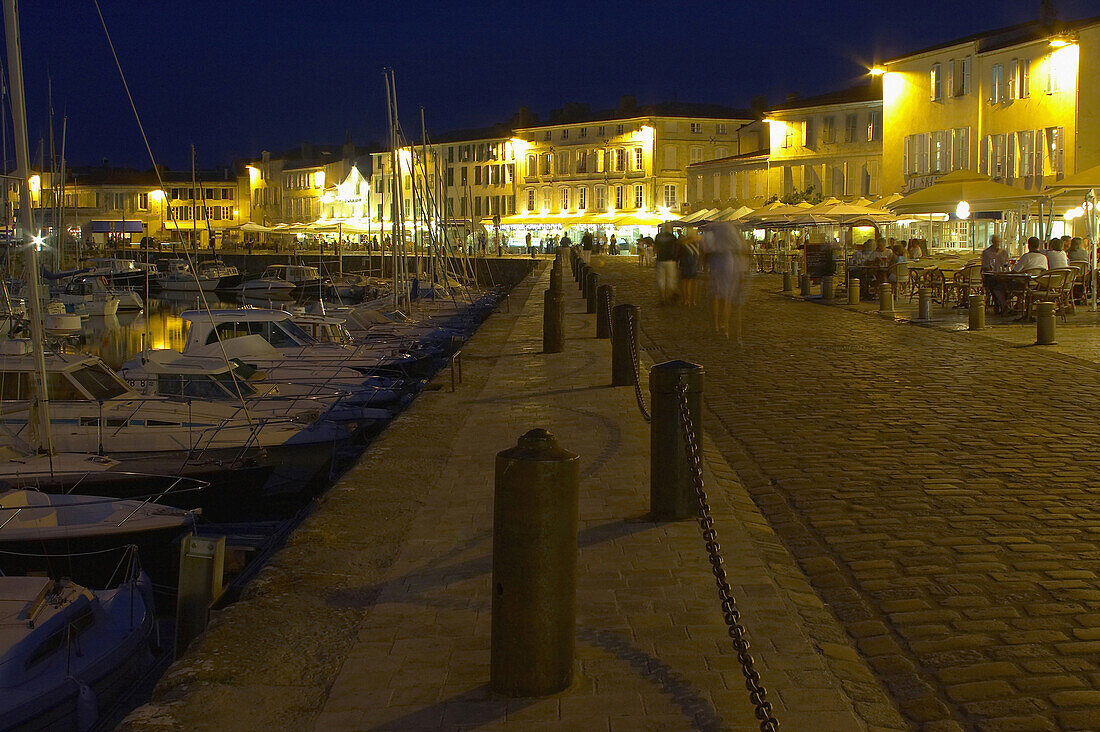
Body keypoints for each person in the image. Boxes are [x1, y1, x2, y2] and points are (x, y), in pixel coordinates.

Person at [702, 222, 751, 343]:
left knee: (715, 295)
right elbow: (739, 248)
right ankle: (724, 324)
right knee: (726, 295)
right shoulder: (731, 229)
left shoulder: (712, 229)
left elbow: (706, 248)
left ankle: (716, 324)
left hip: (715, 261)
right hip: (727, 260)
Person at [653, 225, 679, 304]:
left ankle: (662, 298)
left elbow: (655, 248)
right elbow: (677, 247)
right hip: (670, 260)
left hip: (660, 260)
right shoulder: (672, 237)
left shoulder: (658, 237)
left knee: (661, 280)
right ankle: (669, 297)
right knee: (671, 280)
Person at [678, 232, 701, 306]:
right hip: (692, 265)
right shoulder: (695, 245)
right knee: (692, 283)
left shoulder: (683, 244)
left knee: (686, 283)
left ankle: (687, 300)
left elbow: (679, 255)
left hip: (686, 265)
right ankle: (692, 300)